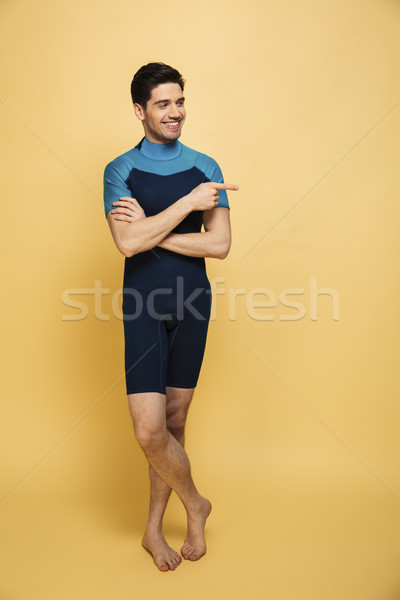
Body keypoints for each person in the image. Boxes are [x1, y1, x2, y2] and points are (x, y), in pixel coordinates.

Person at [103, 62, 238, 572]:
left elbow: (220, 246)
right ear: (140, 111)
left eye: (179, 101)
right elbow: (126, 242)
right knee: (149, 430)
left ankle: (154, 528)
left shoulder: (207, 165)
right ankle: (197, 503)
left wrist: (153, 228)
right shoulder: (120, 171)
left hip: (193, 306)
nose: (175, 112)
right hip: (141, 306)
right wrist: (187, 204)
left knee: (177, 421)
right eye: (163, 103)